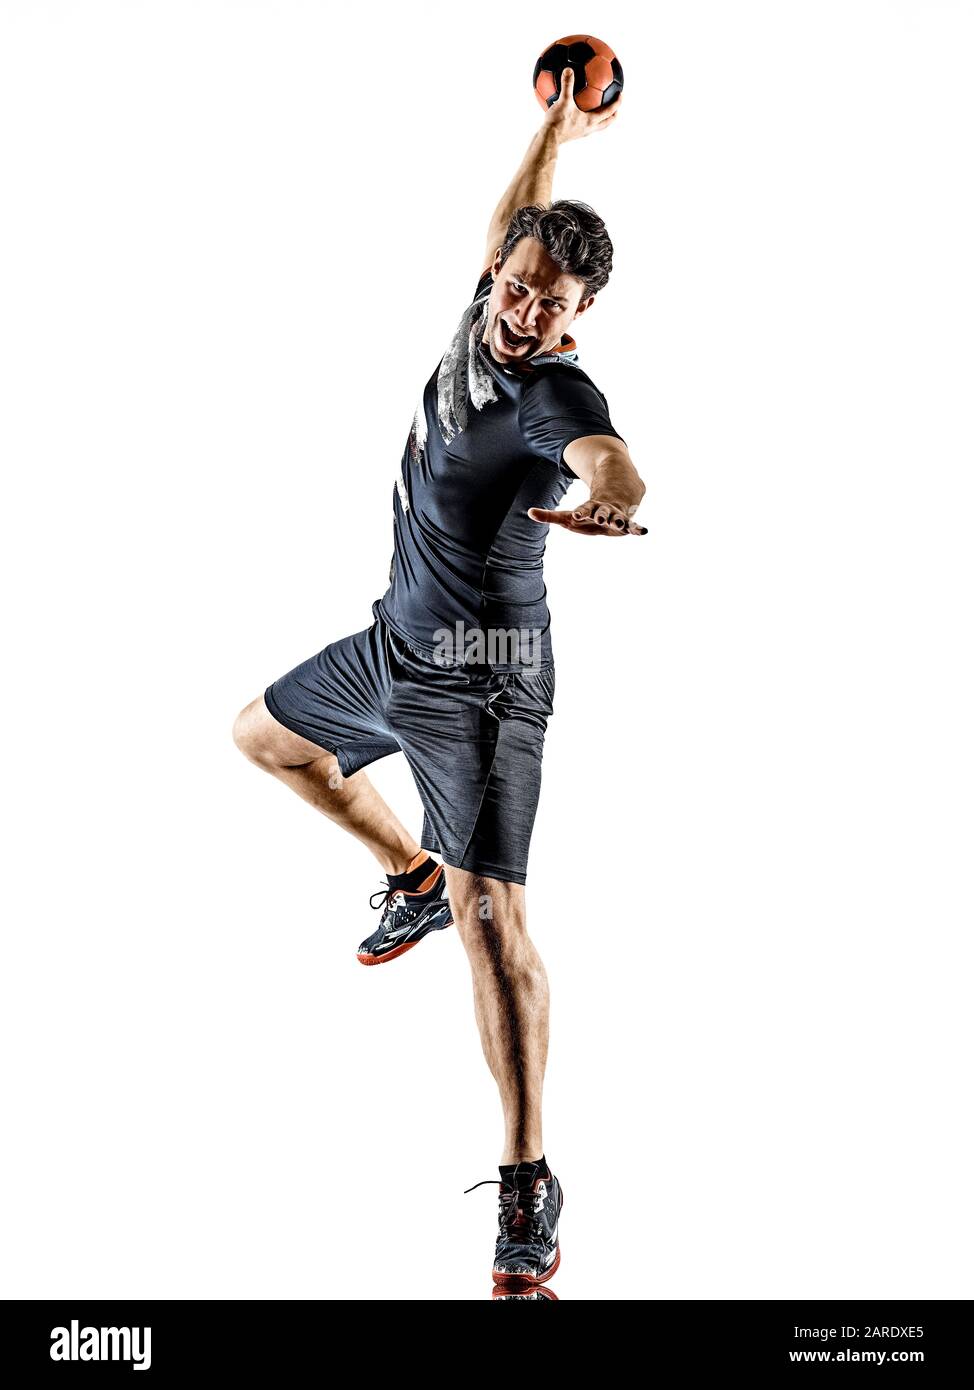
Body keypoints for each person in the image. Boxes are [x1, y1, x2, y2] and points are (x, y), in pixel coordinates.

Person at [233, 66, 646, 1289]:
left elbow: (610, 459)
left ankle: (528, 1183)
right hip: (397, 645)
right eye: (515, 287)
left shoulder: (549, 387)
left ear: (577, 315)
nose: (520, 311)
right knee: (265, 736)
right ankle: (405, 868)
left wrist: (608, 505)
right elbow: (510, 217)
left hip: (482, 681)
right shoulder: (488, 292)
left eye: (546, 302)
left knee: (494, 920)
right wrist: (553, 128)